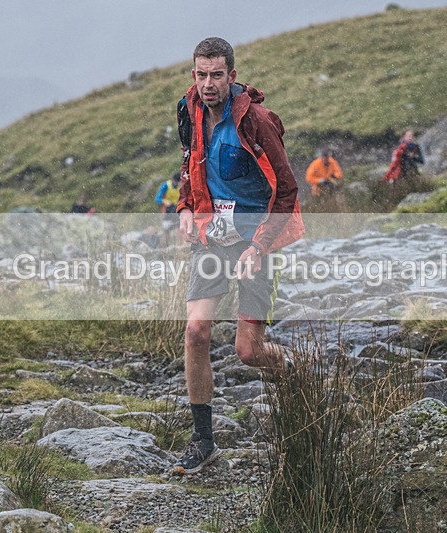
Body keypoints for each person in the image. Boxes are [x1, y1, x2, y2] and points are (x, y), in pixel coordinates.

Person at [173, 37, 304, 475]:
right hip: (212, 240)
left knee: (248, 351)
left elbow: (287, 189)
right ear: (194, 75)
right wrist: (185, 208)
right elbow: (189, 163)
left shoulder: (257, 122)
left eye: (216, 75)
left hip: (255, 242)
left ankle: (291, 368)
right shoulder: (188, 111)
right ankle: (203, 442)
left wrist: (259, 246)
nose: (208, 84)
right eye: (201, 75)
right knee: (195, 332)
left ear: (232, 76)